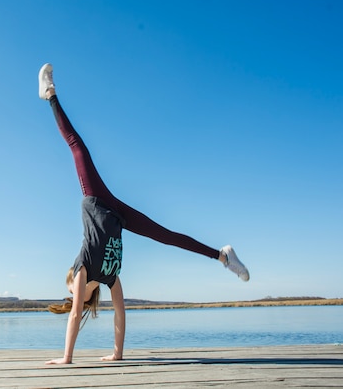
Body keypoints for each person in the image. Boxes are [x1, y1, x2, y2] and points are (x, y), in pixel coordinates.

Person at [38, 63, 249, 365]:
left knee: (78, 148)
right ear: (84, 294)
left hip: (98, 199)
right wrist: (117, 354)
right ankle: (223, 256)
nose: (75, 291)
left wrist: (66, 358)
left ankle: (50, 95)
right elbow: (120, 313)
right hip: (117, 215)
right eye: (75, 291)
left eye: (72, 288)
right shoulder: (109, 277)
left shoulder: (84, 267)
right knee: (167, 237)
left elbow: (74, 312)